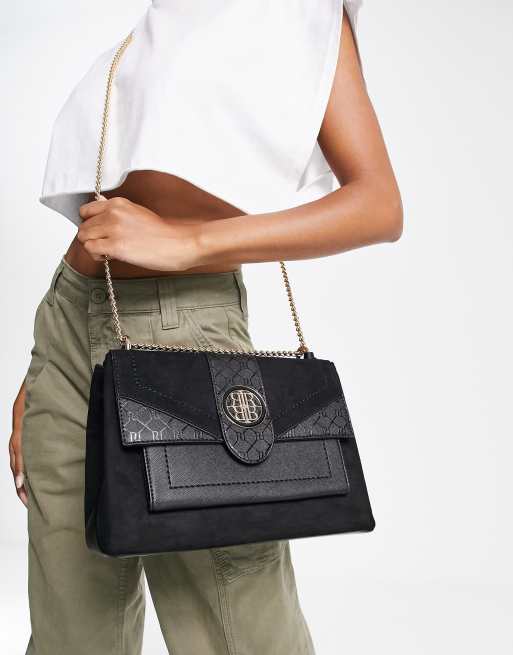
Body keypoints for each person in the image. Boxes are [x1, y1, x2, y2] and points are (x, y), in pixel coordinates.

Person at [9, 2, 402, 654]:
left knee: (241, 629)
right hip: (71, 320)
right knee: (69, 633)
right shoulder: (152, 28)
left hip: (184, 327)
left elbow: (378, 203)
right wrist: (46, 361)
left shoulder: (298, 11)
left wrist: (190, 242)